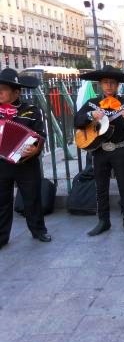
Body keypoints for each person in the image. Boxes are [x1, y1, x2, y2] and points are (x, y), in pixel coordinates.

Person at [74, 65, 124, 236]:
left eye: (112, 83)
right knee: (101, 187)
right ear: (100, 84)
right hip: (99, 150)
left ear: (118, 85)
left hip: (120, 150)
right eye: (105, 83)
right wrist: (91, 116)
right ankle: (103, 221)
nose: (109, 86)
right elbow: (77, 121)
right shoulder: (92, 104)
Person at [0, 67, 51, 248]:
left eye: (3, 89)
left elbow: (39, 134)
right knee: (2, 201)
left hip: (26, 162)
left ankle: (38, 231)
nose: (0, 92)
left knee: (32, 198)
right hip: (1, 163)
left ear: (17, 92)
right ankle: (1, 237)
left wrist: (36, 149)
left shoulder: (30, 110)